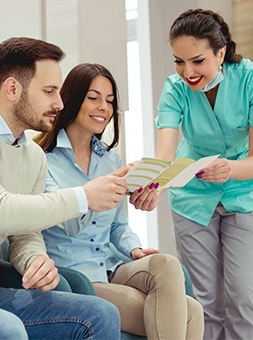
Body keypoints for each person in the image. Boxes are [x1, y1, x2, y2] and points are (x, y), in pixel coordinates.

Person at [35, 63, 204, 340]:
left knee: (167, 265)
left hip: (112, 264)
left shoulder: (110, 159)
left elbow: (118, 226)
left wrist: (134, 249)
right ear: (72, 98)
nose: (104, 107)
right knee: (190, 313)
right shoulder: (42, 159)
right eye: (94, 98)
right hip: (76, 275)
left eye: (110, 101)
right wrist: (98, 191)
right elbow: (68, 225)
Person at [0, 36, 124, 339]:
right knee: (8, 330)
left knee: (100, 314)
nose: (60, 103)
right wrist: (84, 197)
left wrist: (34, 260)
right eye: (49, 91)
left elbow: (24, 233)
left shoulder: (33, 156)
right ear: (13, 88)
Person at [155, 8, 253, 340]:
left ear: (221, 52)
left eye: (197, 61)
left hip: (243, 191)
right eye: (179, 62)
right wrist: (153, 185)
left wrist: (230, 169)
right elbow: (165, 156)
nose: (187, 72)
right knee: (204, 302)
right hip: (192, 196)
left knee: (243, 297)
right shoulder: (174, 88)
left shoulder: (249, 80)